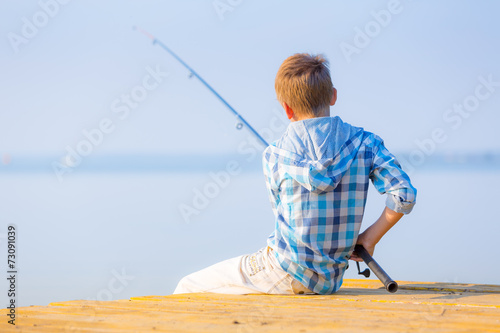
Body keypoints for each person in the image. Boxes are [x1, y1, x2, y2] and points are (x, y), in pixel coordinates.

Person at [173, 53, 416, 295]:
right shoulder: (367, 144)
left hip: (282, 271)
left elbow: (281, 216)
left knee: (187, 286)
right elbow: (403, 194)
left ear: (287, 110)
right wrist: (370, 237)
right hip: (330, 280)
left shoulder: (275, 155)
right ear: (333, 95)